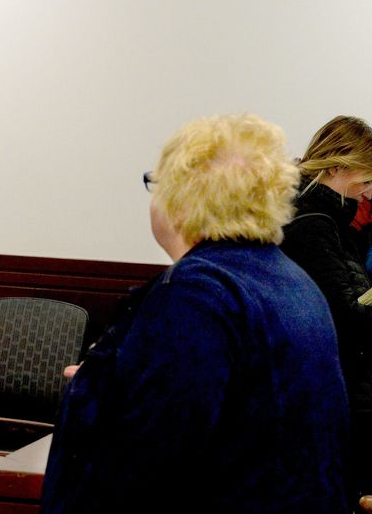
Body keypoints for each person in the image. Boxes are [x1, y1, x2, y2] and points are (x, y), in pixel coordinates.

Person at [41, 114, 350, 514]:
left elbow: (151, 457)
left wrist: (100, 393)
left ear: (183, 198)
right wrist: (117, 377)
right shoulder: (292, 281)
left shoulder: (197, 294)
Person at [279, 115, 372, 502]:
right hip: (330, 389)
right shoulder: (314, 224)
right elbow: (345, 317)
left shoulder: (324, 218)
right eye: (365, 178)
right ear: (336, 166)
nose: (369, 191)